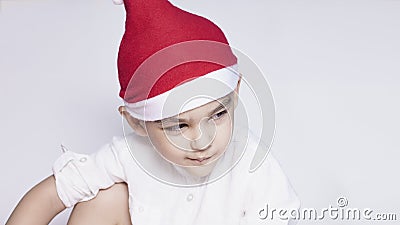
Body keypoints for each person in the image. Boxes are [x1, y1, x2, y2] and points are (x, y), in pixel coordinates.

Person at [6, 0, 300, 224]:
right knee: (104, 199)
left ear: (235, 93)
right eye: (178, 127)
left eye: (217, 115)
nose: (202, 141)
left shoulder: (253, 166)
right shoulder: (129, 155)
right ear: (136, 122)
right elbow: (49, 195)